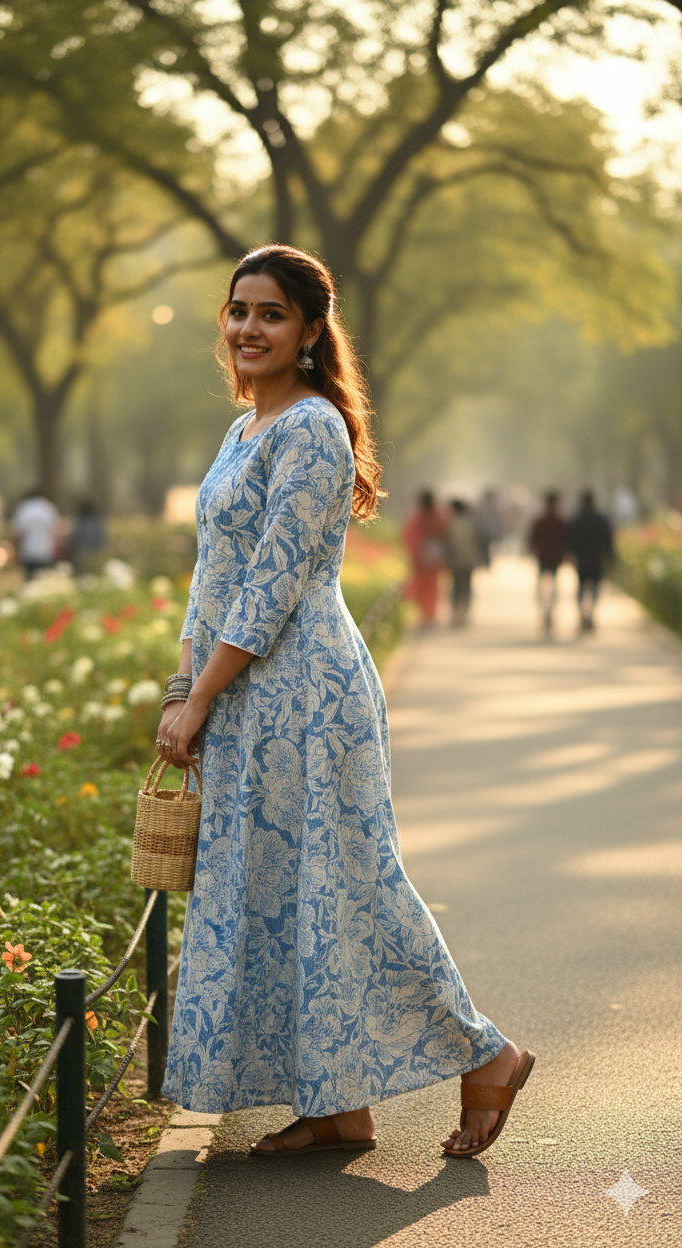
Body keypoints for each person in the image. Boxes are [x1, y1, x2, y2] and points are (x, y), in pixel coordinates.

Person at [156, 243, 533, 1160]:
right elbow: (215, 577)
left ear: (311, 331)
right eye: (239, 310)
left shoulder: (312, 430)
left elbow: (274, 583)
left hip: (305, 695)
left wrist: (199, 697)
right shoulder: (244, 431)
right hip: (245, 691)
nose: (249, 328)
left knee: (348, 883)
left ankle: (488, 1053)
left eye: (272, 314)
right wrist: (184, 682)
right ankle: (336, 1106)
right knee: (291, 891)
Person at [568, 490, 614, 632]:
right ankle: (591, 614)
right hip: (596, 559)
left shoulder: (577, 518)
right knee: (594, 588)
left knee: (581, 587)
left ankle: (583, 614)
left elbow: (570, 539)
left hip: (582, 559)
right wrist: (610, 555)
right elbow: (608, 539)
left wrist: (571, 554)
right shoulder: (600, 519)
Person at [402, 490, 447, 626]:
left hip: (421, 558)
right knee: (431, 587)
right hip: (432, 558)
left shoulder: (416, 516)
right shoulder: (438, 515)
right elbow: (443, 533)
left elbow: (409, 537)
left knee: (423, 586)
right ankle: (429, 614)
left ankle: (426, 614)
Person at [529, 490, 568, 636]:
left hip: (544, 558)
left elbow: (532, 540)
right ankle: (549, 614)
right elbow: (565, 541)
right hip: (554, 558)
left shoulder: (541, 520)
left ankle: (546, 614)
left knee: (543, 588)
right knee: (552, 588)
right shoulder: (560, 521)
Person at [10, 487, 59, 580]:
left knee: (29, 580)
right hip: (46, 551)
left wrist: (14, 551)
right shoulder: (48, 508)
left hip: (28, 552)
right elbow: (56, 531)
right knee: (44, 582)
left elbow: (17, 533)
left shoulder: (24, 508)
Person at [446, 499, 481, 626]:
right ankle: (464, 614)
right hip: (467, 560)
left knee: (456, 588)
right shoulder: (470, 524)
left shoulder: (451, 524)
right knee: (465, 587)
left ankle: (456, 615)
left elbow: (449, 544)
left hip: (456, 561)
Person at [70, 498, 106, 575]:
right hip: (95, 552)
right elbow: (101, 538)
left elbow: (75, 536)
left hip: (81, 552)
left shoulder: (80, 521)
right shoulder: (97, 521)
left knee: (82, 573)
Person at [474, 488, 503, 567]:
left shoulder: (482, 505)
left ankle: (486, 561)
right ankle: (486, 562)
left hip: (485, 531)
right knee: (488, 548)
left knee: (486, 548)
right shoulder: (493, 506)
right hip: (489, 531)